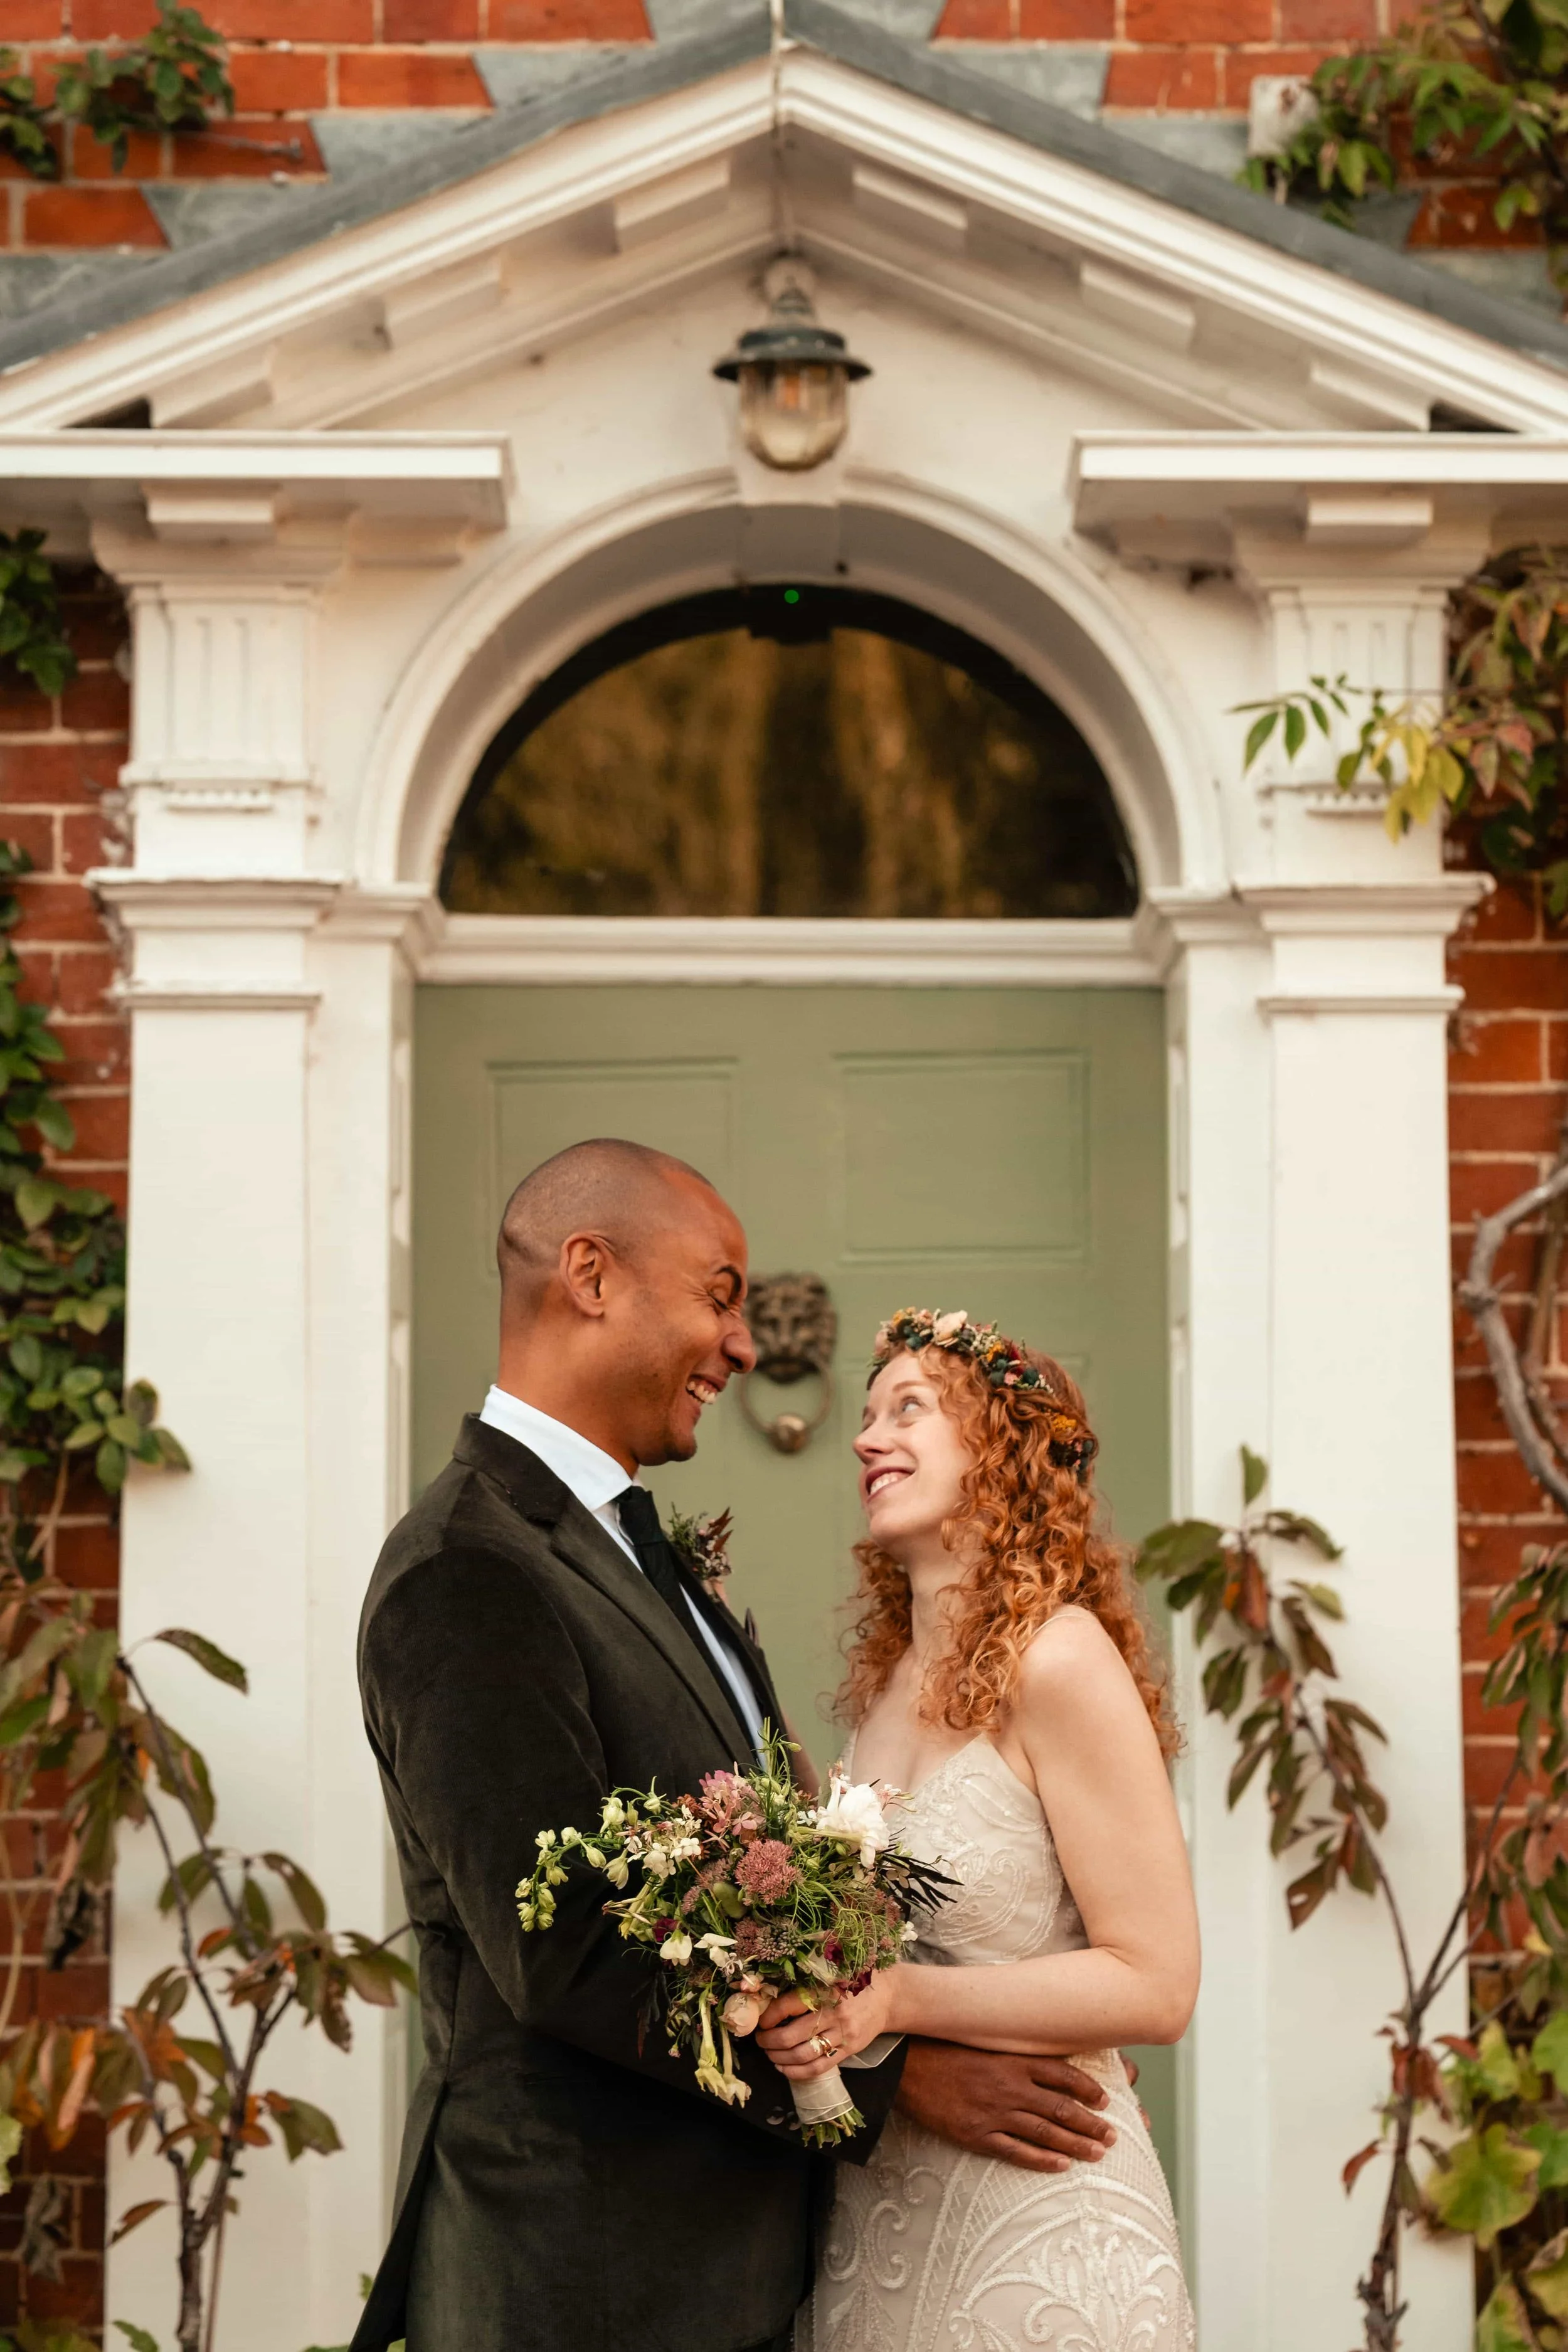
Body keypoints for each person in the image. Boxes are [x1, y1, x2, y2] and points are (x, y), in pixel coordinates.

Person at [350, 1145, 1125, 2352]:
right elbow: (563, 1950)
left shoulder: (636, 1557)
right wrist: (889, 2075)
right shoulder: (470, 1565)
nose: (747, 1346)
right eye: (721, 1294)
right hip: (589, 2282)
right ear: (592, 1274)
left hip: (740, 2272)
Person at [765, 1308, 1200, 2352]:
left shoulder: (1061, 1658)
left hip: (1047, 2224)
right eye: (867, 1416)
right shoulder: (882, 1691)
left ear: (1001, 1446)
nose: (868, 1438)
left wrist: (904, 1998)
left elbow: (1158, 1981)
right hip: (884, 2221)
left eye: (908, 1408)